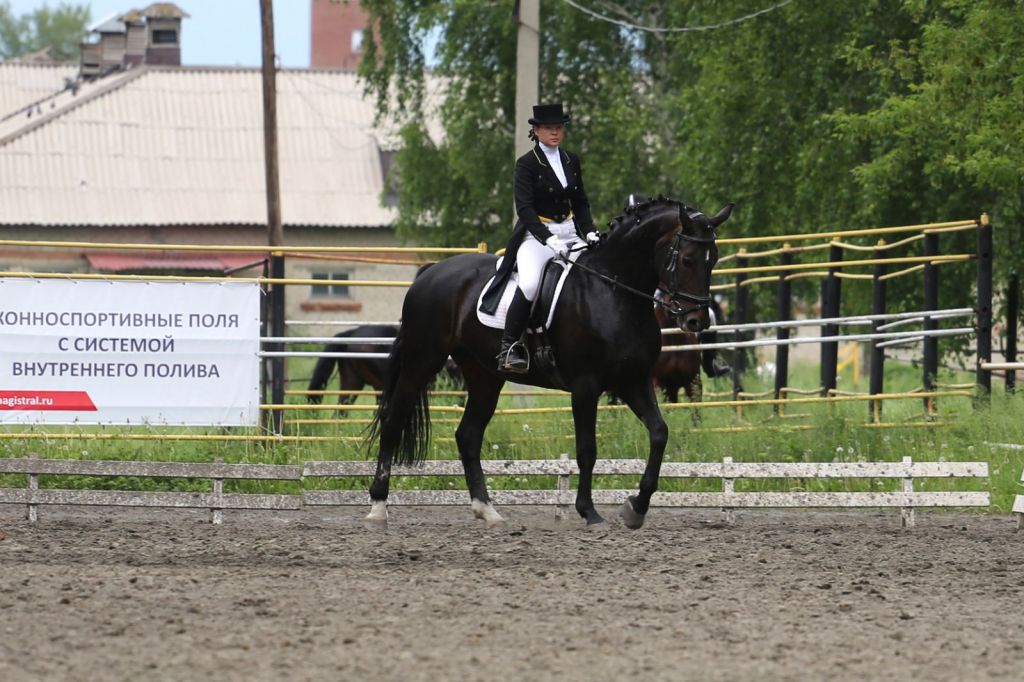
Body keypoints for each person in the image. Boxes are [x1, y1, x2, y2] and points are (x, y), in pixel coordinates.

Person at [480, 103, 600, 373]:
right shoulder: (526, 164)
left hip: (570, 233)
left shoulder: (571, 160)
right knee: (531, 284)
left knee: (593, 274)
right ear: (536, 130)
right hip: (535, 237)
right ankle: (509, 347)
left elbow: (580, 201)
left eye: (558, 128)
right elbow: (524, 208)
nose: (555, 133)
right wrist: (547, 238)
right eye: (549, 128)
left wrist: (589, 230)